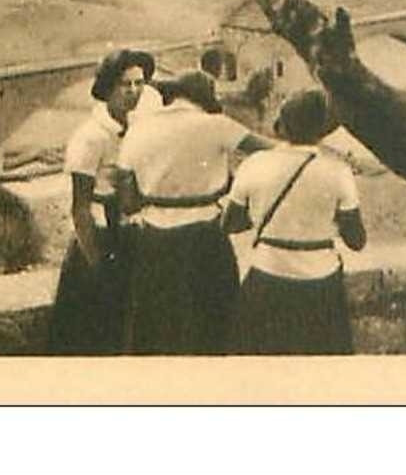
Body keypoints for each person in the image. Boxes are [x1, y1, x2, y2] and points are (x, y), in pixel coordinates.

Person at [114, 70, 271, 355]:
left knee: (158, 327)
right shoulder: (215, 125)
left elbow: (126, 200)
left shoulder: (138, 129)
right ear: (203, 98)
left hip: (154, 239)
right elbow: (272, 151)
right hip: (204, 235)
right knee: (213, 325)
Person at [223, 89, 366, 354]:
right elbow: (356, 240)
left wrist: (265, 218)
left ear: (282, 126)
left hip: (267, 276)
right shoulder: (338, 171)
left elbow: (230, 223)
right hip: (319, 282)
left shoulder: (255, 164)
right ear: (323, 130)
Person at [46, 48, 155, 356]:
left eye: (139, 83)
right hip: (97, 238)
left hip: (126, 235)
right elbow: (80, 207)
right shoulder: (91, 136)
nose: (134, 92)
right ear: (108, 88)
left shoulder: (136, 128)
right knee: (92, 322)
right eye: (126, 84)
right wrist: (96, 262)